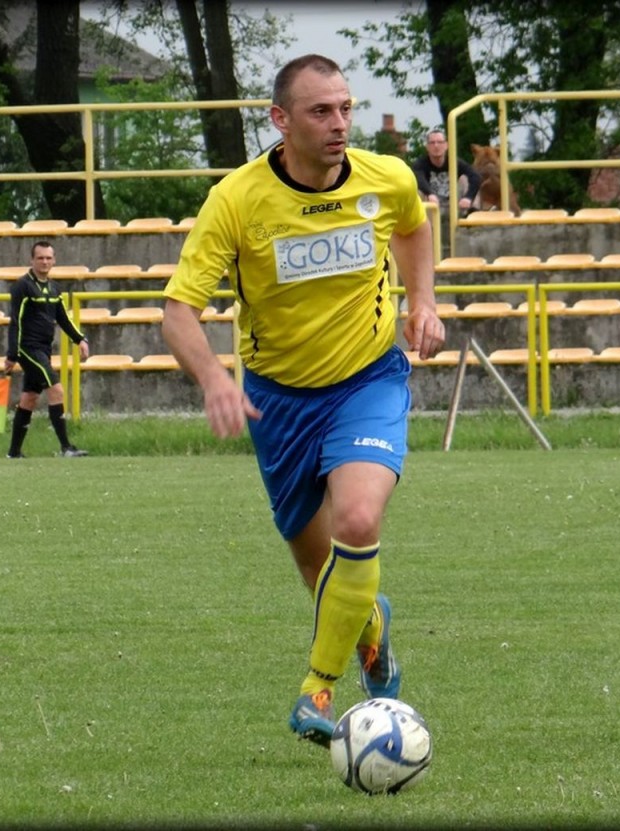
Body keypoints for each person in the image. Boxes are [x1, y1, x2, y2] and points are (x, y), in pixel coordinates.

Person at [161, 54, 445, 748]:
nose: (339, 123)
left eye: (345, 108)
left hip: (367, 380)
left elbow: (413, 225)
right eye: (321, 111)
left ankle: (317, 689)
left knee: (358, 517)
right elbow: (177, 311)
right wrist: (215, 379)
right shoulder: (237, 199)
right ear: (281, 120)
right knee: (322, 571)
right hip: (278, 401)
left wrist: (424, 301)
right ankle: (370, 625)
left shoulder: (387, 178)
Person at [4, 240, 90, 459]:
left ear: (54, 260)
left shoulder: (54, 288)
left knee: (29, 398)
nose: (44, 262)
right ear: (32, 260)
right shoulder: (22, 286)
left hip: (44, 348)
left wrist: (80, 339)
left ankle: (14, 453)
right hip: (28, 349)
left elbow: (63, 318)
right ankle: (66, 447)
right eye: (40, 258)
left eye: (48, 258)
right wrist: (12, 354)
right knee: (56, 390)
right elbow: (16, 322)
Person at [410, 128, 481, 218]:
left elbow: (475, 177)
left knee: (465, 178)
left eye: (440, 142)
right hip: (432, 207)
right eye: (432, 143)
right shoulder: (420, 164)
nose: (436, 146)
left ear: (446, 145)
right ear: (427, 147)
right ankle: (418, 220)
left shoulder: (454, 162)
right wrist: (429, 193)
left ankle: (472, 214)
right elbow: (419, 178)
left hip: (454, 204)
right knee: (416, 188)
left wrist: (468, 197)